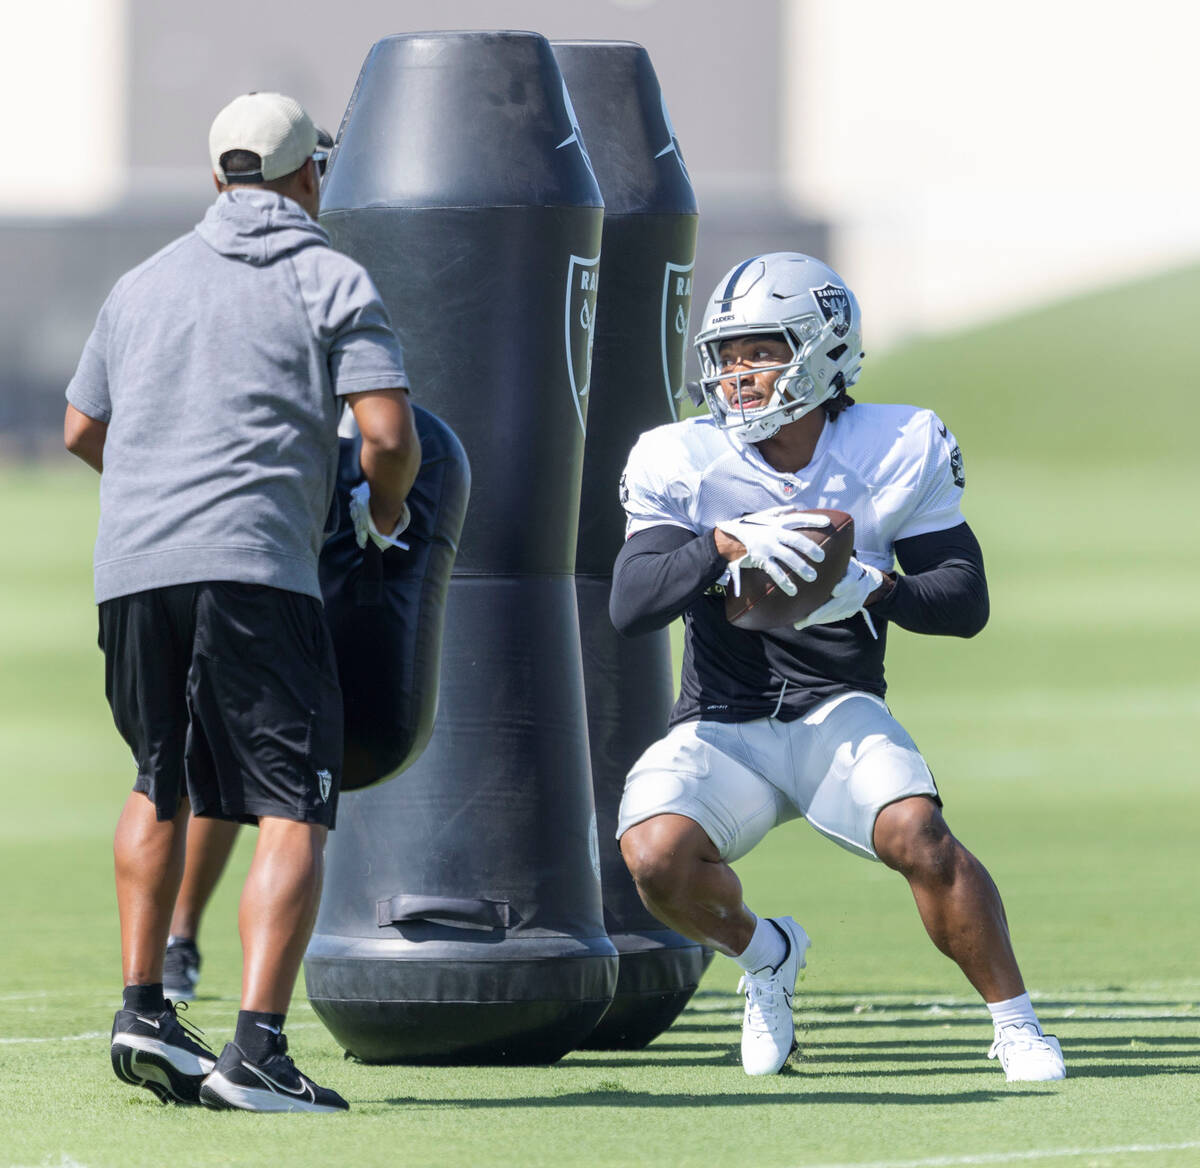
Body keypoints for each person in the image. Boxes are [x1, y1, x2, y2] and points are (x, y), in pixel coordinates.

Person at [610, 252, 1065, 1082]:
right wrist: (720, 545)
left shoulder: (897, 444)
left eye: (761, 350)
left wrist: (868, 586)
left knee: (920, 837)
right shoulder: (681, 456)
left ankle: (1017, 1024)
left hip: (836, 709)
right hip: (722, 719)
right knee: (652, 854)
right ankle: (766, 955)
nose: (737, 374)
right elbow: (631, 601)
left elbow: (964, 602)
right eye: (728, 354)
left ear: (823, 351)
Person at [64, 92, 421, 1112]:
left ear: (219, 177)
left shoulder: (141, 283)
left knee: (156, 776)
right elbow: (389, 437)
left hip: (135, 565)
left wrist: (154, 495)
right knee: (291, 804)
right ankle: (257, 1050)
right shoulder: (330, 273)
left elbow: (83, 426)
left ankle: (142, 1005)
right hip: (259, 566)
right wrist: (383, 517)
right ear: (311, 177)